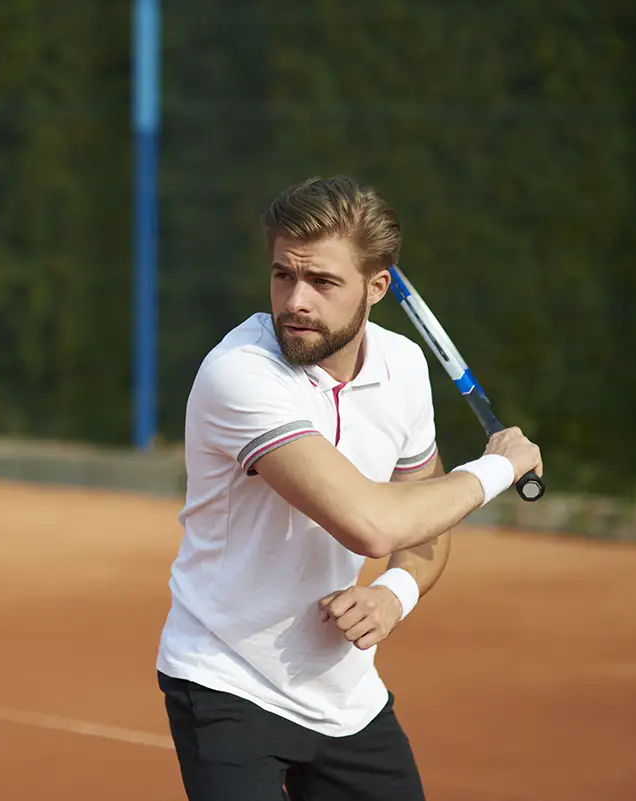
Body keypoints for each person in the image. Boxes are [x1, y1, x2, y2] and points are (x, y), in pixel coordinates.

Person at [155, 176, 544, 801]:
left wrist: (394, 592)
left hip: (344, 695)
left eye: (323, 282)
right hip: (226, 678)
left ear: (377, 287)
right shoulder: (240, 374)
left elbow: (423, 523)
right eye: (283, 275)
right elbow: (370, 523)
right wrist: (496, 469)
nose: (295, 301)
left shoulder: (405, 368)